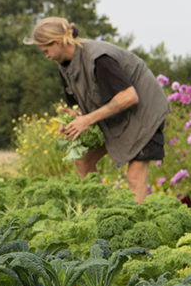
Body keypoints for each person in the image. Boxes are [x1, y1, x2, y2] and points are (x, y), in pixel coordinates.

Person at [25, 17, 170, 203]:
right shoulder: (65, 67)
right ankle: (101, 212)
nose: (45, 56)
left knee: (134, 176)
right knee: (83, 159)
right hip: (118, 116)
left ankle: (137, 221)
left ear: (57, 42)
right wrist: (75, 119)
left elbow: (128, 96)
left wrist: (86, 120)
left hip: (145, 112)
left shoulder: (99, 59)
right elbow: (87, 104)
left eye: (46, 50)